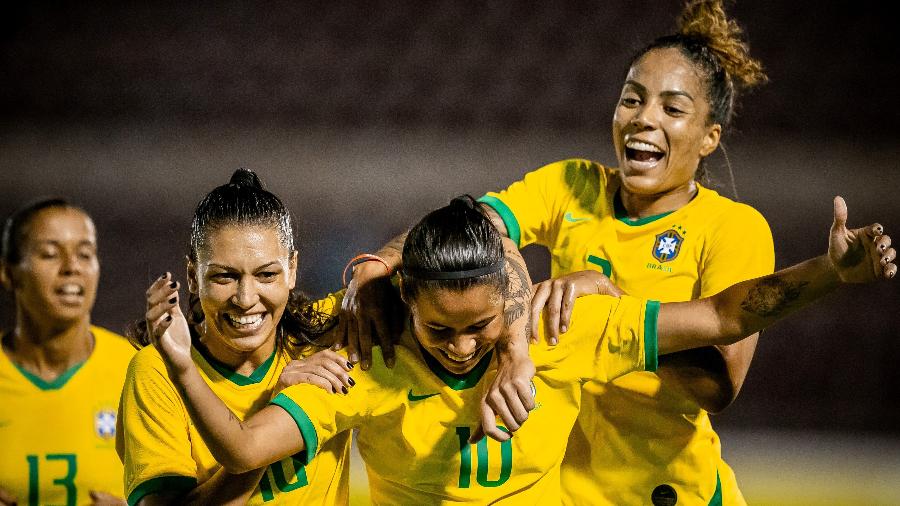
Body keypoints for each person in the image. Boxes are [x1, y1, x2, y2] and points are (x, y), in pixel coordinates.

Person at [142, 195, 893, 504]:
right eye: (442, 330)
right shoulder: (365, 349)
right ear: (407, 302)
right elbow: (244, 442)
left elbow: (727, 315)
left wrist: (831, 272)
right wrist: (178, 357)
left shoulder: (564, 326)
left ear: (509, 301)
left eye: (483, 327)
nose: (465, 346)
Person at [471, 1, 795, 503]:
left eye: (672, 108)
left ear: (710, 137)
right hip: (567, 491)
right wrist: (380, 265)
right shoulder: (573, 186)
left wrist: (607, 305)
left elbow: (719, 386)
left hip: (670, 492)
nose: (644, 119)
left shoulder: (733, 227)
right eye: (632, 99)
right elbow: (476, 228)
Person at [116, 169, 354, 505]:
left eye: (266, 274)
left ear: (293, 270)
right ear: (193, 276)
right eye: (224, 276)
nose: (245, 298)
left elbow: (434, 242)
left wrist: (378, 264)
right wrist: (278, 413)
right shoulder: (158, 371)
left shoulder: (329, 334)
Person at [0, 199, 133, 506]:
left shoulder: (138, 370)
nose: (71, 267)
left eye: (85, 254)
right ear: (9, 273)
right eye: (49, 254)